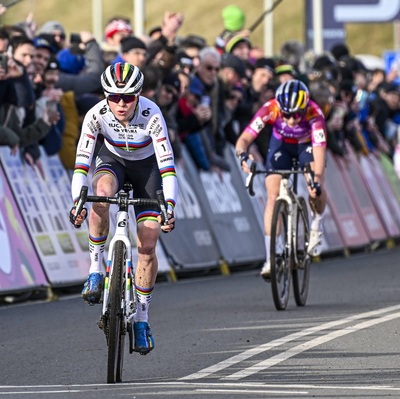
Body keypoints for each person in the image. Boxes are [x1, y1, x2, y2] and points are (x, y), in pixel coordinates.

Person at [69, 62, 178, 355]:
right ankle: (95, 269)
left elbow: (167, 167)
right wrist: (77, 200)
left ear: (138, 95)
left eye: (127, 97)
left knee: (148, 239)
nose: (120, 103)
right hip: (113, 161)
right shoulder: (96, 114)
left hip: (147, 169)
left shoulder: (152, 114)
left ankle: (142, 318)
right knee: (100, 194)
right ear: (105, 96)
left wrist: (169, 205)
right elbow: (82, 161)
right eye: (113, 97)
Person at [235, 79, 328, 280]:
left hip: (306, 145)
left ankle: (317, 224)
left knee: (315, 187)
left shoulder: (314, 113)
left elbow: (320, 150)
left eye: (297, 114)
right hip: (281, 146)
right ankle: (272, 256)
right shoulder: (271, 108)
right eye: (287, 114)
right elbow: (244, 139)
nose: (292, 119)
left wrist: (316, 179)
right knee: (273, 196)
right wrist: (243, 155)